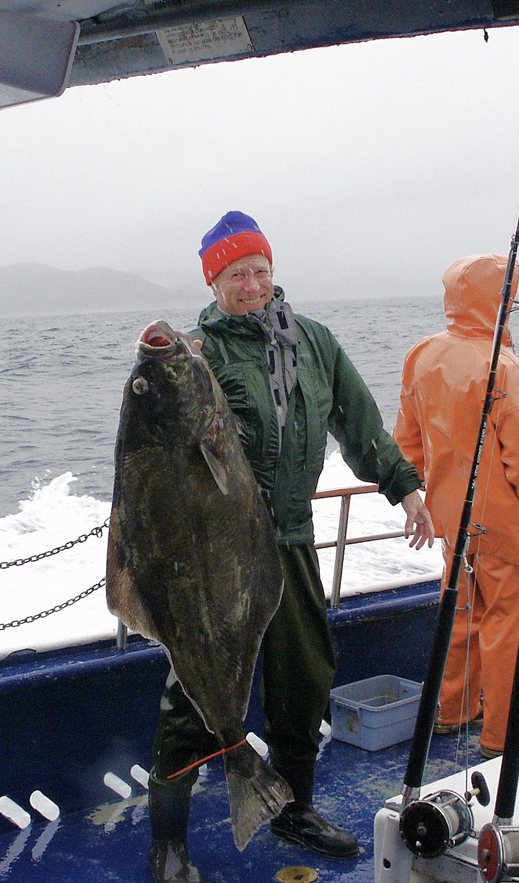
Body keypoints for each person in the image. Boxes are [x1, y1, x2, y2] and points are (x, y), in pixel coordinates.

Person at [147, 211, 435, 883]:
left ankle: (294, 809)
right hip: (220, 559)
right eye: (236, 275)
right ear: (213, 282)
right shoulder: (201, 354)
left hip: (293, 540)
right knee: (191, 698)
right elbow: (159, 449)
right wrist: (164, 364)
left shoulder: (315, 342)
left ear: (274, 273)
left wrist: (406, 488)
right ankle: (167, 843)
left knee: (305, 682)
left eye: (260, 271)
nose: (251, 285)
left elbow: (359, 422)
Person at [393, 253, 519, 761]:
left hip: (454, 526)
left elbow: (406, 446)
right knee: (509, 632)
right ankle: (507, 735)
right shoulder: (507, 370)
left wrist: (430, 500)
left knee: (462, 617)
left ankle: (451, 713)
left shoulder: (421, 356)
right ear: (501, 302)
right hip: (509, 533)